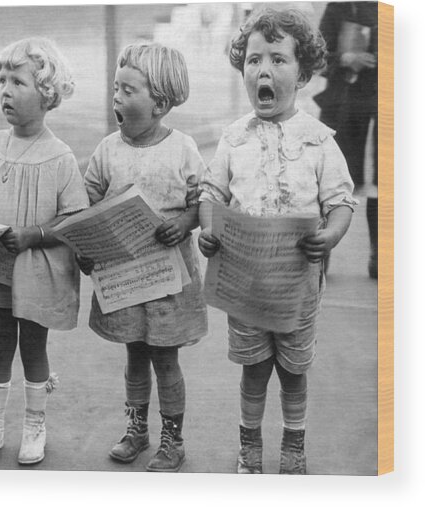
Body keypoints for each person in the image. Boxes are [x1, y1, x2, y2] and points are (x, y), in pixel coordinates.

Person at [198, 8, 356, 474]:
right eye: (253, 60)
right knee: (253, 370)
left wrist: (329, 236)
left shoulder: (319, 141)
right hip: (244, 287)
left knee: (293, 371)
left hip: (297, 289)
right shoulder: (232, 139)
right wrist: (210, 228)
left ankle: (294, 446)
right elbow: (211, 194)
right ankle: (250, 447)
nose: (263, 70)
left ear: (304, 73)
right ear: (242, 69)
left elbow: (341, 202)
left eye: (278, 60)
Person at [0, 37, 88, 467]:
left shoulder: (61, 158)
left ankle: (35, 425)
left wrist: (34, 233)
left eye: (18, 82)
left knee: (33, 348)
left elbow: (75, 219)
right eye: (2, 81)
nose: (5, 91)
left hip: (37, 270)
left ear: (46, 93)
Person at [82, 42, 208, 473]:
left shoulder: (183, 148)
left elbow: (202, 199)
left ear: (160, 104)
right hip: (123, 275)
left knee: (166, 358)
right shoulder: (106, 150)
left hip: (169, 277)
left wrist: (187, 221)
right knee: (134, 354)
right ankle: (137, 430)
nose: (116, 97)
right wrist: (86, 245)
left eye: (129, 90)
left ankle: (173, 439)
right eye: (115, 88)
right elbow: (89, 202)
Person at [314, 2, 378, 278]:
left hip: (384, 101)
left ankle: (381, 254)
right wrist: (346, 58)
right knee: (330, 179)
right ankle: (320, 252)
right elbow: (317, 56)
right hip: (343, 103)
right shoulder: (339, 6)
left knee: (384, 183)